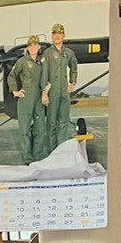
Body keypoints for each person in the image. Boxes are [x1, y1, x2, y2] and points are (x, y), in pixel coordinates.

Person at [7, 35, 47, 165]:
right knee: (24, 131)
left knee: (40, 130)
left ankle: (38, 157)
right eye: (30, 45)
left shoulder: (43, 61)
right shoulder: (22, 62)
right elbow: (12, 76)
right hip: (26, 99)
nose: (33, 47)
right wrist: (15, 91)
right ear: (28, 48)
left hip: (39, 99)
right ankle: (28, 159)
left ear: (39, 47)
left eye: (35, 45)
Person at [41, 22, 78, 150]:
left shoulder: (69, 53)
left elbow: (74, 67)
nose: (57, 36)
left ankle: (61, 150)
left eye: (59, 33)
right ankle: (52, 151)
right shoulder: (47, 53)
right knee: (52, 122)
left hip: (64, 91)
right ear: (52, 36)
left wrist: (72, 82)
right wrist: (45, 93)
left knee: (64, 121)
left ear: (64, 35)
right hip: (52, 91)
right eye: (54, 33)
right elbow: (44, 73)